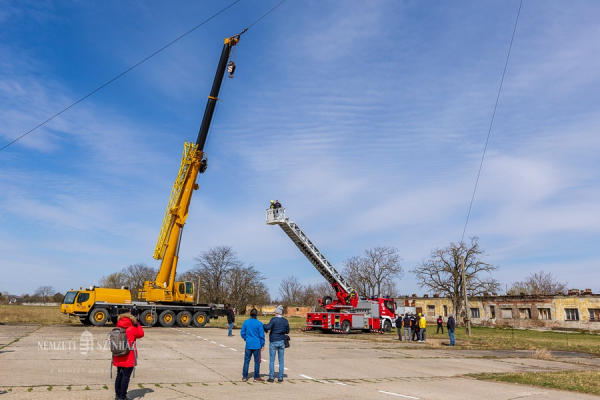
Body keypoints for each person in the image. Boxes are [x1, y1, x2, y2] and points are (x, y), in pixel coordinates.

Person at [112, 312, 144, 400]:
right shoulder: (132, 329)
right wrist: (138, 324)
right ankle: (123, 396)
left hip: (118, 356)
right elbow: (141, 334)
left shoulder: (116, 329)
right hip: (128, 357)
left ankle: (117, 395)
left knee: (119, 375)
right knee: (126, 377)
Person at [263, 305, 290, 382]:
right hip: (281, 341)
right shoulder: (285, 321)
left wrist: (263, 325)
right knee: (281, 360)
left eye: (275, 312)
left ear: (277, 313)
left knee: (272, 360)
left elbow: (268, 327)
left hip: (273, 341)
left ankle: (271, 377)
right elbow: (287, 331)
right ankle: (280, 377)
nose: (274, 313)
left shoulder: (273, 320)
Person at [240, 308, 265, 382]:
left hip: (248, 344)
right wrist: (262, 344)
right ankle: (256, 377)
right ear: (256, 315)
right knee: (257, 361)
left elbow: (242, 333)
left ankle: (245, 376)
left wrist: (246, 338)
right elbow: (261, 335)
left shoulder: (246, 322)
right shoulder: (259, 323)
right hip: (257, 345)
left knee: (246, 361)